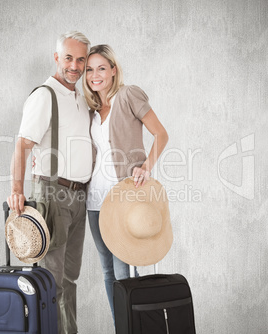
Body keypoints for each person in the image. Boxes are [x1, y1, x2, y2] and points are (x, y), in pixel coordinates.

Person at [7, 31, 92, 334]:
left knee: (69, 279)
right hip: (54, 196)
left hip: (79, 198)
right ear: (57, 57)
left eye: (81, 59)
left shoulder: (80, 98)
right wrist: (17, 190)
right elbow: (22, 145)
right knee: (51, 280)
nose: (75, 65)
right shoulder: (45, 95)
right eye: (68, 57)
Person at [82, 44, 169, 322]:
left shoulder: (128, 95)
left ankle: (139, 326)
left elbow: (161, 134)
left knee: (125, 272)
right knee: (108, 271)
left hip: (124, 199)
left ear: (113, 70)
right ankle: (123, 325)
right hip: (95, 201)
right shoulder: (92, 110)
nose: (95, 75)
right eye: (90, 70)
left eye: (102, 68)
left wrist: (146, 167)